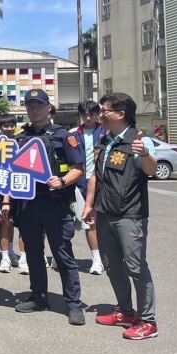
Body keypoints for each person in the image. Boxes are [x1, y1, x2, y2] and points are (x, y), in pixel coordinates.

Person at [82, 93, 158, 340]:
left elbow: (151, 170)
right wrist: (90, 205)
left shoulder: (138, 140)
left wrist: (145, 154)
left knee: (136, 268)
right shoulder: (106, 139)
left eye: (104, 110)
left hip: (130, 215)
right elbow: (96, 176)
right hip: (105, 213)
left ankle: (148, 321)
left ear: (120, 114)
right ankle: (126, 311)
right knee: (112, 265)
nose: (100, 114)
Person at [11, 90, 86, 326]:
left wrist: (63, 180)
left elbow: (79, 168)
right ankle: (39, 297)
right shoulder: (19, 137)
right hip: (28, 204)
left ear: (48, 108)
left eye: (39, 106)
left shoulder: (64, 136)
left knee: (63, 254)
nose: (34, 110)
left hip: (56, 203)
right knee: (33, 254)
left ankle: (73, 304)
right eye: (30, 106)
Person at [71, 100, 106, 275]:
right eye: (85, 114)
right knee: (88, 222)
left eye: (92, 113)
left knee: (105, 223)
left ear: (98, 114)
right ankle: (97, 259)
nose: (88, 117)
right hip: (79, 184)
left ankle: (108, 258)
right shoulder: (73, 135)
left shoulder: (106, 132)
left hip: (103, 184)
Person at [0, 115, 22, 273]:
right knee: (4, 222)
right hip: (1, 187)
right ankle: (4, 257)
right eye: (5, 126)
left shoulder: (21, 141)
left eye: (12, 125)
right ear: (0, 127)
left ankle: (15, 254)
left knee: (18, 223)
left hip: (20, 187)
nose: (9, 128)